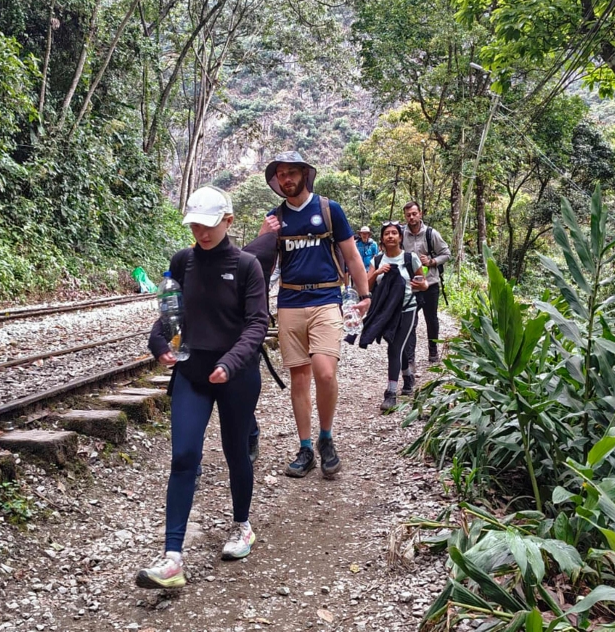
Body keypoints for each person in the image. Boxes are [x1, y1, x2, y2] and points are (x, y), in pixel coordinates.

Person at [136, 186, 268, 589]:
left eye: (208, 225)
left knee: (235, 452)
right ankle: (172, 556)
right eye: (194, 225)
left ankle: (242, 526)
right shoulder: (182, 261)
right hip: (193, 374)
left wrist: (230, 363)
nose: (201, 232)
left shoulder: (247, 266)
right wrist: (159, 343)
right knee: (184, 457)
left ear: (228, 221)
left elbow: (258, 323)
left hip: (236, 375)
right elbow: (169, 315)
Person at [259, 151, 371, 478]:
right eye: (281, 174)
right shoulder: (274, 218)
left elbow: (351, 255)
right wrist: (264, 234)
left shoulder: (329, 210)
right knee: (299, 378)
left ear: (305, 175)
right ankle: (305, 447)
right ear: (277, 180)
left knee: (324, 372)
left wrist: (365, 295)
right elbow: (261, 264)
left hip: (326, 298)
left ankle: (326, 438)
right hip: (290, 303)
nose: (287, 179)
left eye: (292, 173)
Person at [366, 222, 427, 411]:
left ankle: (391, 393)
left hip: (408, 308)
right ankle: (407, 377)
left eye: (394, 233)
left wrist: (420, 285)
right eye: (387, 234)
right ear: (382, 239)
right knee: (396, 347)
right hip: (386, 312)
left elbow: (423, 283)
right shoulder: (376, 261)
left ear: (400, 237)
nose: (390, 236)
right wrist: (376, 273)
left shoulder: (410, 259)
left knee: (394, 348)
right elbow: (366, 287)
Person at [402, 201, 451, 363]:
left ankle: (433, 351)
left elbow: (446, 253)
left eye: (414, 214)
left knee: (431, 319)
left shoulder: (431, 233)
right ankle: (410, 356)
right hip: (410, 286)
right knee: (410, 321)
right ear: (405, 216)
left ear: (420, 214)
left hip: (430, 284)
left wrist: (431, 261)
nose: (412, 217)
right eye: (408, 215)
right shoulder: (401, 234)